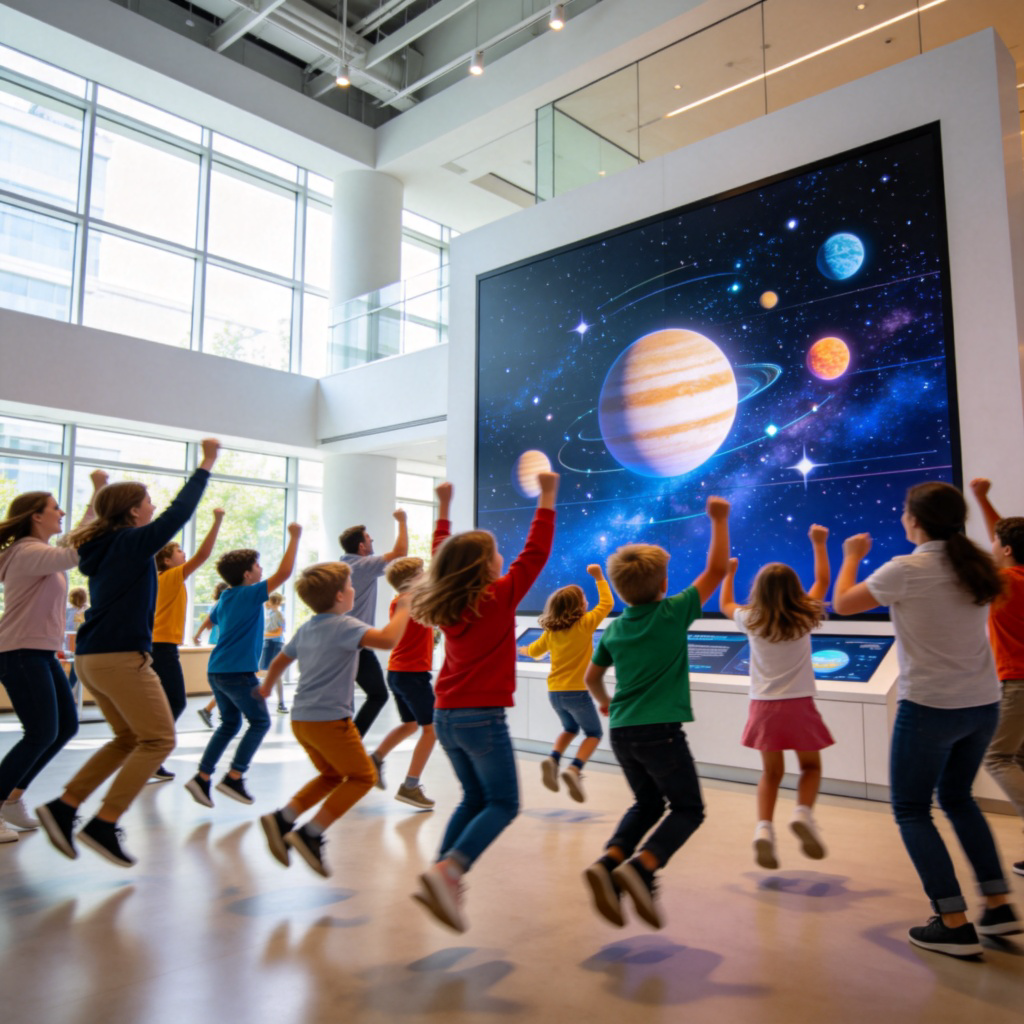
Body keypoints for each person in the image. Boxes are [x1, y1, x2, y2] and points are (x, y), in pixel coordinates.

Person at [834, 481, 1021, 958]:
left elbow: (843, 603)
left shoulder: (906, 569)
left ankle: (953, 920)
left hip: (930, 708)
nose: (901, 517)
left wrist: (851, 555)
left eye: (903, 512)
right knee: (958, 798)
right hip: (981, 705)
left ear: (915, 520)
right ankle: (998, 905)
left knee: (912, 810)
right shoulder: (977, 564)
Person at [35, 442, 220, 867]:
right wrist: (206, 464)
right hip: (120, 658)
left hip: (93, 660)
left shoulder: (101, 547)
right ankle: (104, 822)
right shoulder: (132, 543)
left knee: (127, 739)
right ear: (134, 512)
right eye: (147, 502)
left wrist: (98, 488)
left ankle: (64, 808)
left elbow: (138, 516)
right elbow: (180, 511)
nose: (153, 507)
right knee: (159, 739)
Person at [409, 474, 558, 932]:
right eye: (496, 552)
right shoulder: (499, 596)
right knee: (502, 803)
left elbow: (441, 557)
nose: (503, 557)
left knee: (473, 797)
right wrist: (548, 496)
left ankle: (442, 873)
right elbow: (536, 552)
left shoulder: (448, 603)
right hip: (481, 719)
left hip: (445, 716)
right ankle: (450, 870)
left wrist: (444, 509)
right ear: (484, 567)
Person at [583, 496, 730, 930]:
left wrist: (605, 703)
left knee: (647, 802)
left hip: (623, 733)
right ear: (664, 583)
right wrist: (719, 520)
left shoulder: (615, 628)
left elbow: (592, 678)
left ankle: (611, 860)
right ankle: (643, 866)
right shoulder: (671, 613)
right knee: (688, 809)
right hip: (661, 732)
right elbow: (716, 571)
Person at [257, 562, 411, 877]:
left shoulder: (307, 628)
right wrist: (404, 605)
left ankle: (283, 818)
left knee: (332, 775)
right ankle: (311, 833)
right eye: (352, 586)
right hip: (330, 722)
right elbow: (387, 640)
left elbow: (279, 662)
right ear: (341, 596)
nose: (355, 590)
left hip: (302, 721)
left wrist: (266, 689)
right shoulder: (346, 625)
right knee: (363, 776)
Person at [719, 525, 833, 869]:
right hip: (799, 704)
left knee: (771, 774)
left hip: (763, 707)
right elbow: (824, 582)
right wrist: (819, 544)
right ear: (795, 590)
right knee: (810, 766)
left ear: (760, 592)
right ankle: (802, 813)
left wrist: (729, 573)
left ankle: (763, 830)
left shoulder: (751, 618)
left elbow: (725, 603)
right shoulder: (805, 614)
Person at [0, 470, 105, 843]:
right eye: (55, 508)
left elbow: (76, 537)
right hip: (20, 651)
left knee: (65, 727)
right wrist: (102, 498)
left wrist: (96, 493)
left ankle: (12, 798)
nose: (61, 513)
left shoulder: (38, 553)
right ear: (36, 516)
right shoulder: (28, 552)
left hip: (38, 651)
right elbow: (78, 551)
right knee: (42, 730)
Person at [184, 524, 301, 809]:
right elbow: (284, 575)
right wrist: (295, 539)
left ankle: (202, 776)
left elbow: (212, 619)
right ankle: (234, 776)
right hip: (237, 673)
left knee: (230, 723)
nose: (261, 569)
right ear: (247, 575)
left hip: (218, 671)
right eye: (258, 566)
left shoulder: (226, 596)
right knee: (260, 722)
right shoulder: (249, 594)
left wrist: (200, 632)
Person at [967, 478, 1024, 877]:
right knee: (1020, 757)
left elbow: (999, 542)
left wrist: (981, 499)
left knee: (997, 756)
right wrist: (984, 500)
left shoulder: (1003, 583)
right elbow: (1004, 537)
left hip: (1017, 683)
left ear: (1005, 552)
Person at [519, 564, 614, 802]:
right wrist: (599, 577)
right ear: (579, 606)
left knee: (570, 728)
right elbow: (607, 604)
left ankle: (553, 759)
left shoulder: (552, 632)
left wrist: (522, 648)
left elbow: (533, 650)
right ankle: (575, 769)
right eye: (584, 599)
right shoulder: (585, 624)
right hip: (578, 693)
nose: (587, 602)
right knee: (593, 733)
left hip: (555, 693)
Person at [149, 508, 225, 782]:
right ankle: (150, 751)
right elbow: (203, 556)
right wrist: (216, 522)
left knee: (166, 703)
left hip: (158, 646)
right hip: (161, 648)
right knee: (176, 702)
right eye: (179, 552)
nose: (183, 555)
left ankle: (150, 752)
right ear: (167, 561)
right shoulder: (170, 577)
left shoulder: (158, 580)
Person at [368, 557, 438, 810]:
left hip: (399, 673)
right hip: (412, 675)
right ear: (412, 579)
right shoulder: (410, 601)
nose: (425, 575)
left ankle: (375, 759)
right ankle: (410, 785)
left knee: (410, 725)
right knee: (432, 729)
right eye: (421, 572)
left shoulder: (400, 600)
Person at [339, 509, 409, 737]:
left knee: (349, 698)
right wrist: (402, 521)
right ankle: (350, 745)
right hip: (356, 644)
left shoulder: (342, 566)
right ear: (361, 546)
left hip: (346, 642)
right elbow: (400, 552)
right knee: (375, 695)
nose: (372, 543)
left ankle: (348, 745)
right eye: (369, 539)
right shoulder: (363, 565)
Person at [193, 581, 227, 728]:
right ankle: (210, 710)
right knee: (227, 683)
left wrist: (198, 635)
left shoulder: (221, 603)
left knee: (227, 683)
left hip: (222, 644)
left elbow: (208, 622)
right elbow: (209, 621)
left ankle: (213, 711)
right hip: (224, 644)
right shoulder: (224, 602)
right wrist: (197, 635)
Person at [260, 592, 288, 714]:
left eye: (267, 601)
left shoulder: (277, 615)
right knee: (268, 674)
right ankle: (279, 703)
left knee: (272, 674)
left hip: (273, 645)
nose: (265, 603)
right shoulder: (272, 614)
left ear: (272, 602)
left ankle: (280, 703)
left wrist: (261, 635)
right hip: (271, 644)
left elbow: (277, 633)